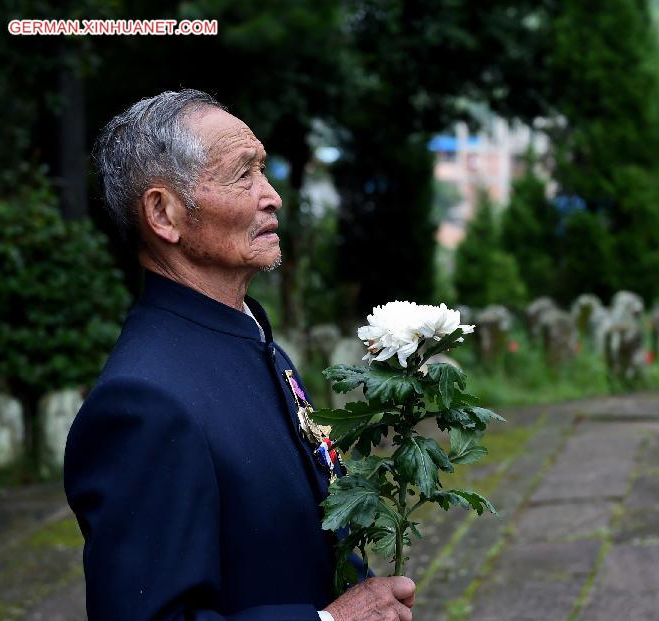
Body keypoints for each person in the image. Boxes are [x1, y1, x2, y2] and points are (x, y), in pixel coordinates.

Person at [63, 89, 416, 621]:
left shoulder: (251, 339)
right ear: (164, 213)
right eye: (242, 175)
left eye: (264, 172)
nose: (271, 195)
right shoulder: (144, 402)